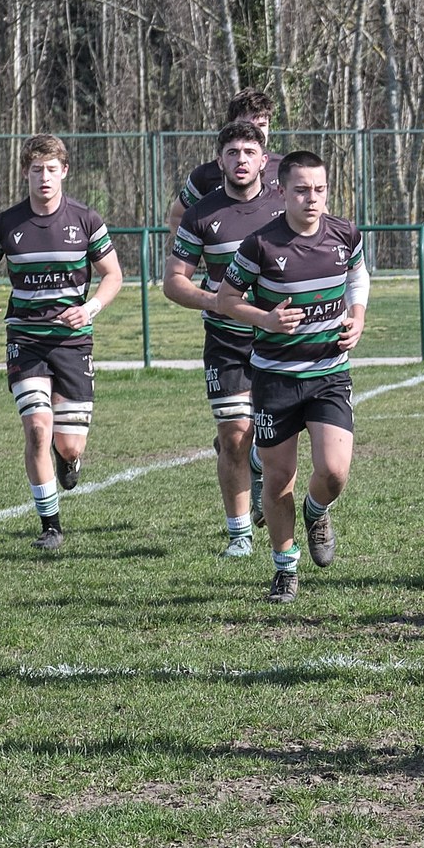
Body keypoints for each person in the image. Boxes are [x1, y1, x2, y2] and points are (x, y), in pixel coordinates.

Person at [217, 151, 367, 603]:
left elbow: (358, 277)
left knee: (335, 471)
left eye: (319, 189)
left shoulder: (345, 235)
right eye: (302, 190)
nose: (312, 198)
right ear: (282, 192)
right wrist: (264, 320)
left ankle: (317, 510)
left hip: (329, 374)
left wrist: (357, 316)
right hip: (275, 379)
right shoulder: (261, 245)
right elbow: (226, 299)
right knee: (280, 477)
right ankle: (285, 569)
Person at [0, 135, 124, 550]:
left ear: (65, 171)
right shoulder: (6, 223)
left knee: (68, 444)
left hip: (73, 342)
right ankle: (50, 525)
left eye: (52, 169)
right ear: (25, 173)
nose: (45, 177)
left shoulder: (86, 219)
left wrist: (89, 310)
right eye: (37, 170)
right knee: (37, 427)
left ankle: (68, 459)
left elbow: (113, 275)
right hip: (26, 339)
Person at [164, 121, 285, 557]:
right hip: (227, 342)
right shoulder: (201, 215)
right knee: (234, 435)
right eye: (232, 153)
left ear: (264, 160)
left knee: (274, 438)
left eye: (249, 152)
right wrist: (215, 302)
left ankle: (263, 471)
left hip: (280, 341)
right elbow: (174, 282)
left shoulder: (284, 207)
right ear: (220, 161)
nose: (240, 160)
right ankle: (239, 534)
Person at [167, 88, 279, 235]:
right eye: (246, 124)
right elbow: (177, 217)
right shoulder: (206, 175)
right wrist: (194, 252)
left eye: (262, 125)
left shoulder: (285, 169)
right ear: (231, 125)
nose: (254, 131)